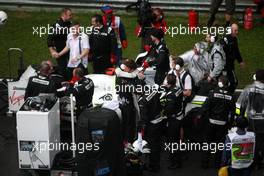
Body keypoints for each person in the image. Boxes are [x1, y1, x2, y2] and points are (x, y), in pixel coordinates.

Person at [200, 76, 235, 169]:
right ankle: (217, 164)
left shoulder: (212, 93)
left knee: (207, 143)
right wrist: (230, 124)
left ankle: (205, 163)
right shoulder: (231, 96)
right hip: (223, 125)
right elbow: (233, 113)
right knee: (219, 145)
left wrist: (200, 117)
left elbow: (205, 107)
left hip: (211, 123)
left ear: (219, 83)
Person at [236, 69, 264, 169]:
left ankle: (253, 162)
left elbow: (239, 105)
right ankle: (259, 161)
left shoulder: (248, 89)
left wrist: (238, 117)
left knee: (252, 142)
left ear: (255, 77)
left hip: (251, 122)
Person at [160, 74, 184, 169]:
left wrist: (164, 113)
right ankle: (177, 159)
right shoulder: (178, 89)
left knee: (172, 141)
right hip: (179, 116)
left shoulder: (170, 94)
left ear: (168, 82)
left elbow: (169, 108)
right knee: (176, 140)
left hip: (173, 120)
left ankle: (174, 162)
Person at [137, 84, 163, 173]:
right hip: (159, 121)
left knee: (152, 146)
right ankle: (156, 164)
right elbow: (159, 106)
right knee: (157, 144)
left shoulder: (142, 100)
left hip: (152, 125)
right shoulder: (153, 92)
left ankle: (154, 166)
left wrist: (140, 129)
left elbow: (144, 118)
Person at [47, 8, 72, 79]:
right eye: (69, 15)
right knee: (63, 69)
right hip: (60, 51)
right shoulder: (56, 25)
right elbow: (49, 39)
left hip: (69, 50)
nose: (71, 16)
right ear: (64, 15)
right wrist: (52, 51)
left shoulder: (69, 23)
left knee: (71, 68)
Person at [222, 23, 245, 93]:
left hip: (230, 64)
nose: (237, 32)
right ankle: (229, 95)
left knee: (227, 81)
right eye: (235, 31)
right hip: (226, 65)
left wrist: (240, 61)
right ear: (230, 30)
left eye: (237, 30)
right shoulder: (225, 40)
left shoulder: (234, 39)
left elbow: (236, 50)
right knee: (234, 82)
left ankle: (225, 94)